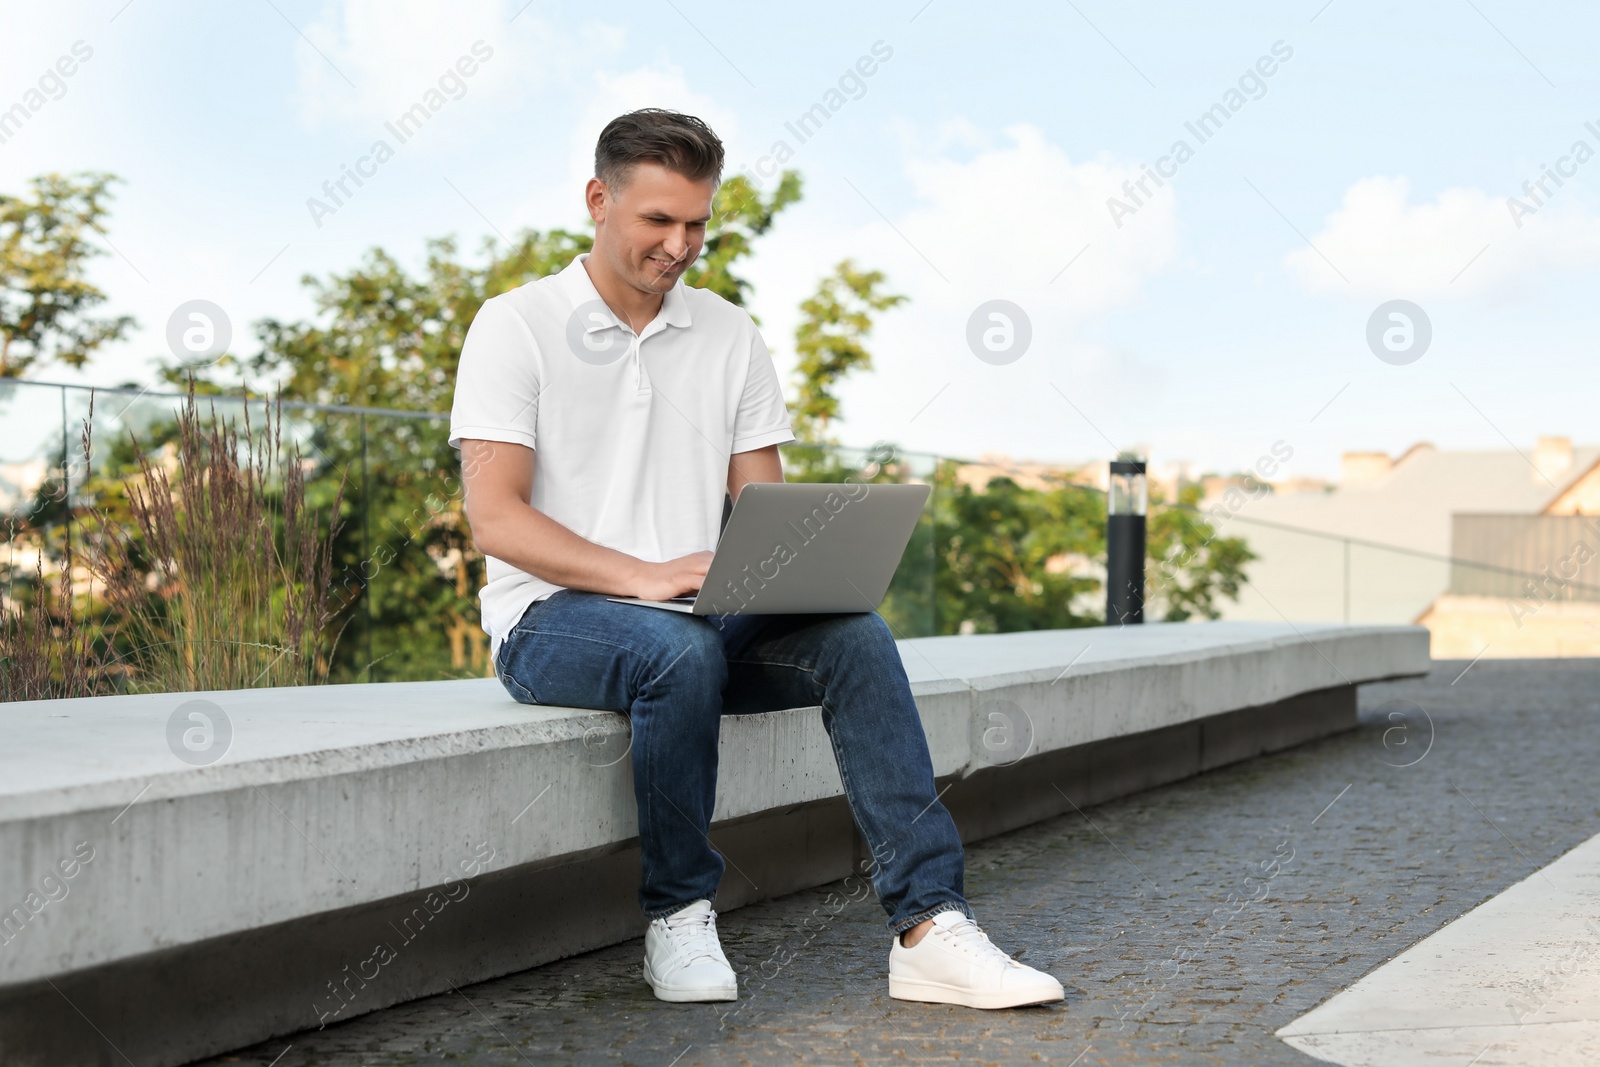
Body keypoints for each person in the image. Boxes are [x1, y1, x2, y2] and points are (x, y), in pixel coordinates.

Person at [449, 107, 1063, 1010]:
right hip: (552, 620)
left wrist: (796, 568)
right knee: (675, 650)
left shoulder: (729, 334)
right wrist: (644, 575)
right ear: (597, 200)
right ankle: (679, 914)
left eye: (696, 222)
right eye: (658, 220)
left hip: (697, 611)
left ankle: (930, 926)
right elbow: (496, 520)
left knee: (854, 636)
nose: (679, 244)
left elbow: (757, 508)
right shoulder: (516, 326)